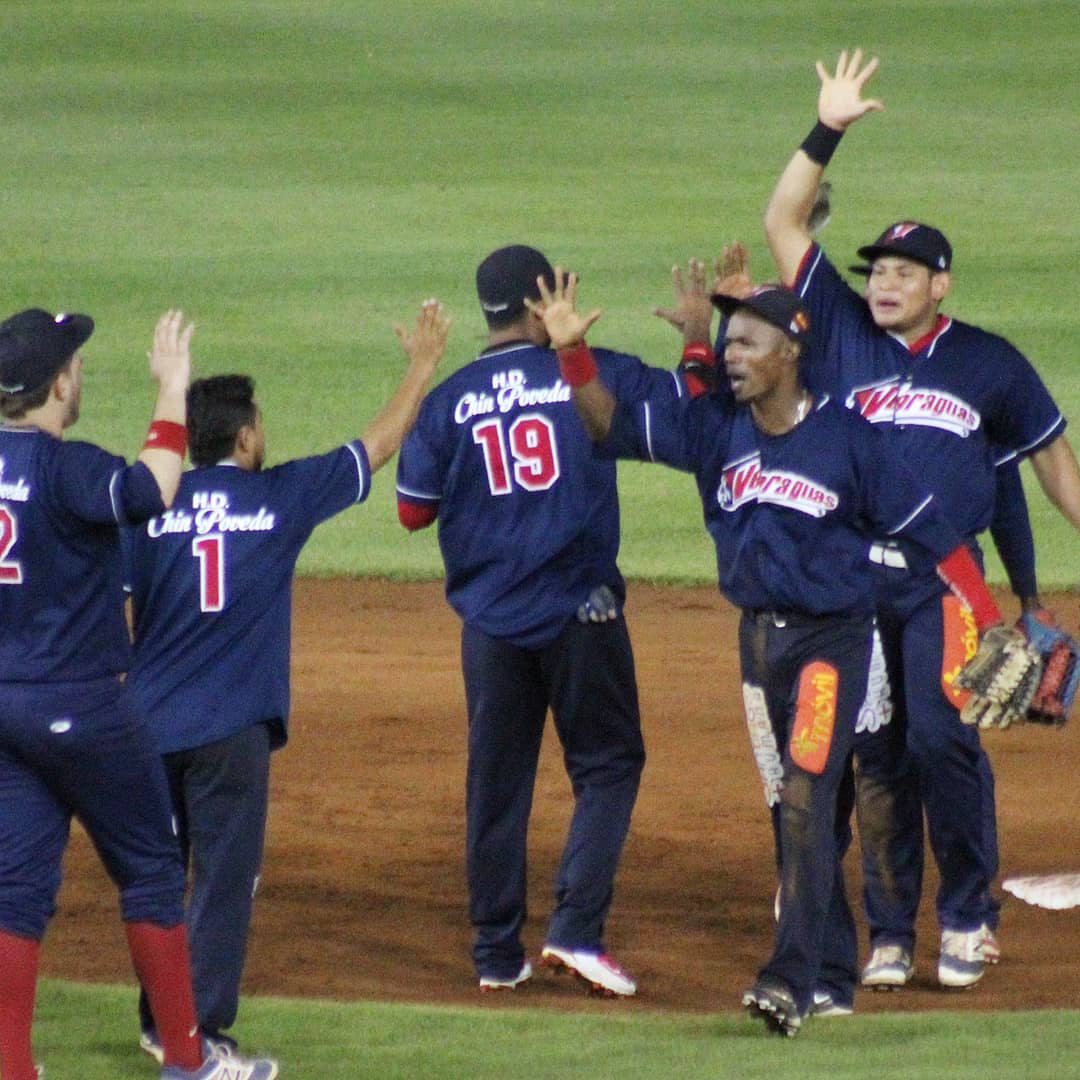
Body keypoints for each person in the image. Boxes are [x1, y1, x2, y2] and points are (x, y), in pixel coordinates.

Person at [529, 267, 1019, 1035]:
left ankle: (787, 981)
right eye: (726, 342)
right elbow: (606, 425)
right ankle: (829, 974)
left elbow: (934, 532)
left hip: (833, 645)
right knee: (790, 814)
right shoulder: (715, 429)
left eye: (748, 342)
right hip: (759, 650)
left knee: (806, 796)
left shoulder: (852, 441)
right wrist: (572, 353)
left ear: (790, 350)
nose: (731, 354)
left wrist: (989, 618)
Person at [762, 49, 1080, 990]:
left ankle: (970, 915)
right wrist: (830, 126)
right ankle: (891, 930)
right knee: (876, 755)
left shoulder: (989, 363)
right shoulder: (843, 329)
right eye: (879, 268)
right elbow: (783, 219)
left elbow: (1052, 465)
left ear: (942, 284)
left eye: (907, 270)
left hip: (945, 583)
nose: (886, 281)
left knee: (945, 740)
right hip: (851, 583)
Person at [124, 301, 450, 1061]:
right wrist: (422, 367)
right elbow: (373, 449)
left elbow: (112, 613)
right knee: (222, 885)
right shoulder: (279, 500)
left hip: (144, 727)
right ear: (244, 438)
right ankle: (198, 1039)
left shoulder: (145, 509)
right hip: (229, 731)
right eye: (259, 424)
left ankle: (158, 1021)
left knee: (156, 882)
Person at [395, 245, 681, 998]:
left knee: (496, 784)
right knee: (609, 765)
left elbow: (411, 512)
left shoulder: (450, 398)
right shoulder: (589, 367)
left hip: (490, 624)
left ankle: (496, 955)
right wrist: (696, 331)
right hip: (578, 611)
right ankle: (576, 930)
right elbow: (689, 403)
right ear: (540, 298)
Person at [0, 308, 276, 1080]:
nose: (80, 371)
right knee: (154, 871)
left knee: (15, 891)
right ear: (58, 382)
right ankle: (188, 1063)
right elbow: (151, 490)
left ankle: (11, 1067)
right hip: (82, 706)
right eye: (75, 362)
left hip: (5, 707)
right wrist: (171, 392)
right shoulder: (67, 467)